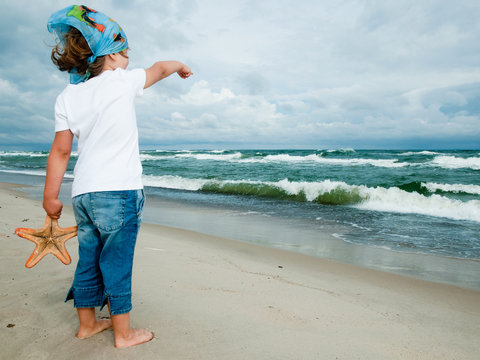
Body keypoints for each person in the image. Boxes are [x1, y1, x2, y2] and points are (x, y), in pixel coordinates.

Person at [43, 5, 192, 348]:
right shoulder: (122, 81)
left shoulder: (67, 96)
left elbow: (61, 152)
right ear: (109, 56)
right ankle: (123, 334)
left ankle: (88, 325)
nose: (128, 58)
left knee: (89, 259)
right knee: (117, 261)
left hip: (83, 195)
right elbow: (159, 69)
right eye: (125, 52)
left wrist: (51, 196)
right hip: (120, 192)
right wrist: (181, 65)